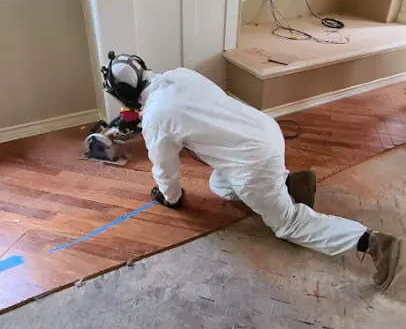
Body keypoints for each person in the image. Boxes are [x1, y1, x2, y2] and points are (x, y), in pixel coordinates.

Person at [104, 55, 405, 294]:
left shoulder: (156, 118)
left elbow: (164, 169)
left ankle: (374, 243)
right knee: (219, 184)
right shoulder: (179, 75)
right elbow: (181, 111)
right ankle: (290, 182)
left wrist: (171, 199)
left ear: (124, 96)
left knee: (287, 224)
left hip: (252, 163)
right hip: (265, 131)